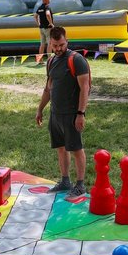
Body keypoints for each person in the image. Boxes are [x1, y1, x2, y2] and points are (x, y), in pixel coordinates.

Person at [34, 25, 91, 198]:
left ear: (67, 41)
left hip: (72, 114)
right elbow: (48, 88)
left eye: (62, 45)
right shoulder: (51, 61)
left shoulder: (77, 60)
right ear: (50, 43)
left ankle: (80, 185)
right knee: (61, 148)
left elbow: (85, 88)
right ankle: (65, 181)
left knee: (76, 149)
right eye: (55, 46)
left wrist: (80, 114)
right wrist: (40, 109)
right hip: (55, 113)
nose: (58, 49)